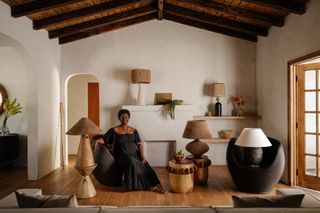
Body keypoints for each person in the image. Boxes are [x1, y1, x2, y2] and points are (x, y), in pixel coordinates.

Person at [93, 109, 167, 193]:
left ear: (129, 118)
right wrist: (97, 140)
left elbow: (139, 144)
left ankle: (158, 186)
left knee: (146, 165)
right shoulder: (114, 130)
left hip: (135, 154)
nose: (125, 119)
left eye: (126, 117)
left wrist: (142, 155)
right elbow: (104, 139)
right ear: (119, 118)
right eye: (122, 117)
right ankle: (146, 186)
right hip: (122, 156)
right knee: (131, 162)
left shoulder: (134, 130)